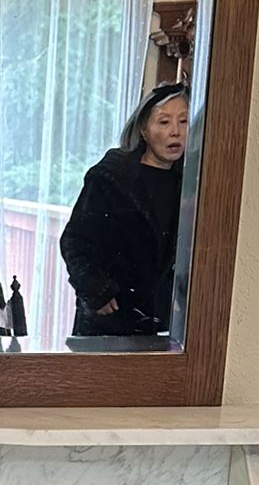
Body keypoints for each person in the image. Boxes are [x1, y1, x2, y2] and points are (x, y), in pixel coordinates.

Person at [59, 83, 190, 339]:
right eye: (164, 122)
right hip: (110, 319)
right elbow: (75, 240)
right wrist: (96, 291)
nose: (175, 132)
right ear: (143, 129)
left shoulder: (192, 180)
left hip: (166, 323)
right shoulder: (111, 178)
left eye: (183, 121)